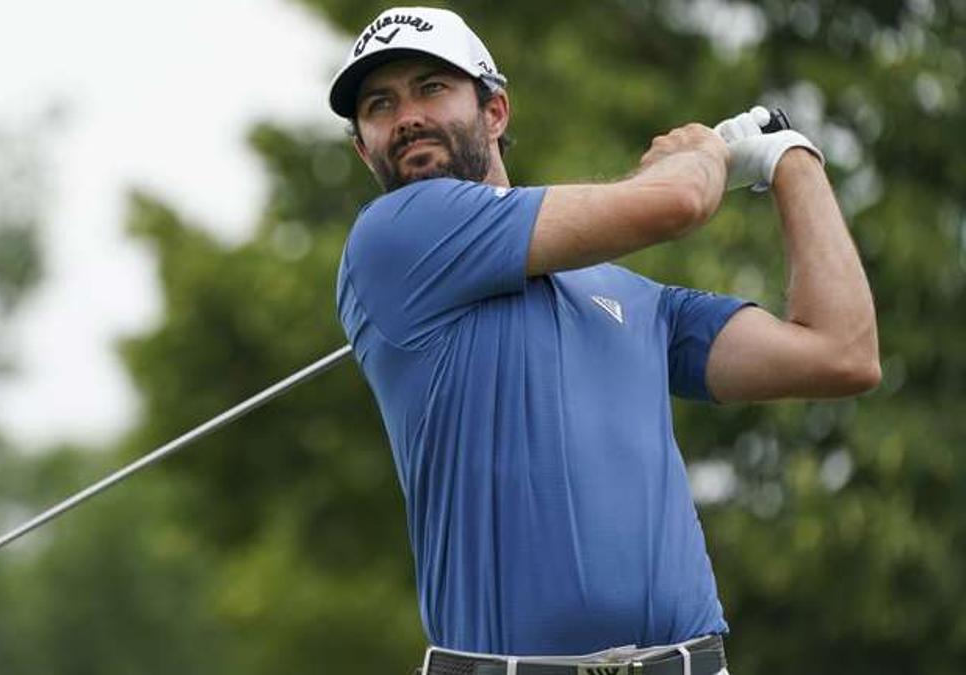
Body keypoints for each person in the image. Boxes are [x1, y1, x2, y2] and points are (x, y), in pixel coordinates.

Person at [329, 7, 879, 675]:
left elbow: (841, 353)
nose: (408, 114)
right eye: (380, 104)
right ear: (364, 146)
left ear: (495, 112)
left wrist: (791, 159)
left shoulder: (636, 298)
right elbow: (677, 201)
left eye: (431, 88)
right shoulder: (393, 237)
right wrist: (700, 153)